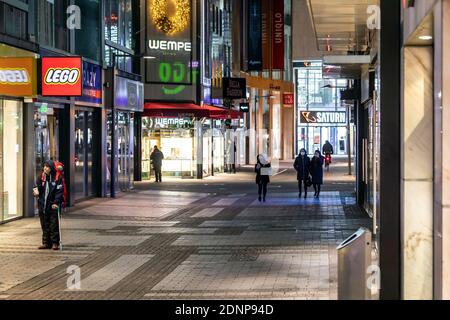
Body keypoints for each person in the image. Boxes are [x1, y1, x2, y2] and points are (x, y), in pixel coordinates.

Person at [33, 160, 64, 250]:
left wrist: (56, 202)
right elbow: (36, 187)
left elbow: (59, 191)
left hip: (53, 204)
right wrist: (35, 192)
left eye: (47, 167)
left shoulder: (57, 177)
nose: (45, 168)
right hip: (42, 204)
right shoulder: (41, 176)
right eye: (44, 166)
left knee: (53, 224)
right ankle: (46, 243)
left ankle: (55, 243)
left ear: (51, 168)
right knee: (44, 223)